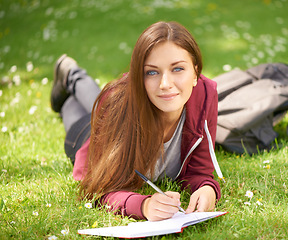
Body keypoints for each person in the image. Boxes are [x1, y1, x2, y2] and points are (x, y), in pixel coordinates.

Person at [50, 21, 223, 221]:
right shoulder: (116, 103)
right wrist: (144, 205)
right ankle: (72, 75)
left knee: (102, 105)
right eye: (152, 72)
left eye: (178, 69)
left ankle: (71, 77)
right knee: (83, 110)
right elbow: (99, 189)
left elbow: (199, 171)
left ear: (195, 72)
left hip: (118, 109)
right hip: (93, 136)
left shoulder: (205, 95)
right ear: (139, 77)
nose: (165, 84)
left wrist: (208, 188)